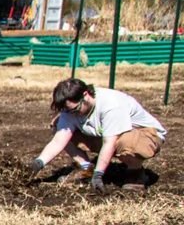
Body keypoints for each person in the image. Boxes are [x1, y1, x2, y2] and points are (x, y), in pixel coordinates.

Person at [29, 78, 166, 193]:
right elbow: (59, 141)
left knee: (124, 143)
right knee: (58, 125)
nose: (72, 115)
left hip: (147, 136)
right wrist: (39, 163)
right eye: (68, 112)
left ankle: (135, 173)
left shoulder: (111, 105)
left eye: (75, 110)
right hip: (109, 136)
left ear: (86, 95)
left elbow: (109, 143)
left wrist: (98, 175)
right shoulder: (71, 110)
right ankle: (87, 169)